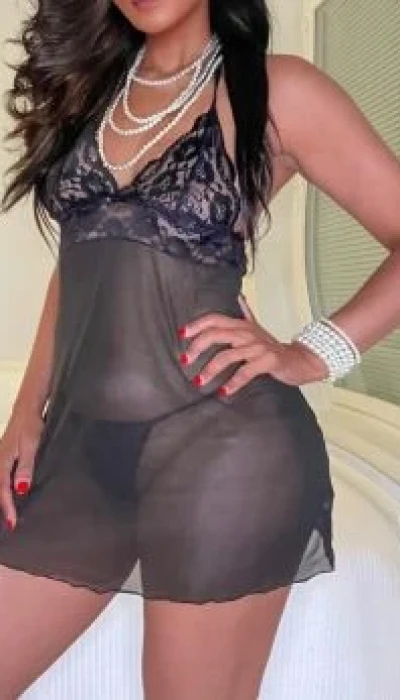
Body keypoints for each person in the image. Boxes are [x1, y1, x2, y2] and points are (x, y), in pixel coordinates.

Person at [0, 0, 399, 697]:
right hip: (83, 448)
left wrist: (313, 352)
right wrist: (26, 413)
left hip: (224, 450)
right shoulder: (96, 89)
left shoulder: (279, 89)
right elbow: (79, 265)